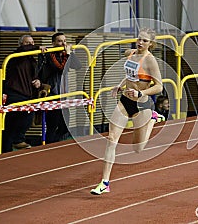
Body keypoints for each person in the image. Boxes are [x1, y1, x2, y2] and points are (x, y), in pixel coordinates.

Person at [90, 27, 163, 195]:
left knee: (138, 148)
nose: (140, 42)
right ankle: (105, 182)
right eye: (139, 39)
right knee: (111, 138)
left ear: (151, 44)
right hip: (125, 101)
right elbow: (132, 75)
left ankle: (152, 118)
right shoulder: (131, 53)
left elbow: (159, 86)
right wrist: (120, 85)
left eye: (145, 40)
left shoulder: (150, 61)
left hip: (142, 104)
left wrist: (141, 92)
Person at [38, 32, 81, 144]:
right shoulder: (50, 54)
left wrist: (70, 53)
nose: (63, 43)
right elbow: (60, 67)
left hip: (63, 95)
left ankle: (54, 144)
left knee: (65, 126)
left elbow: (78, 66)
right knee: (52, 125)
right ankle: (48, 147)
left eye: (65, 41)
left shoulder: (64, 55)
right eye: (60, 41)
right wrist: (67, 54)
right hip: (53, 95)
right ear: (53, 43)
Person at [2, 35, 42, 152]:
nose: (31, 45)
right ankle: (11, 146)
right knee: (12, 122)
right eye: (28, 43)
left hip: (26, 94)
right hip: (14, 93)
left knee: (26, 117)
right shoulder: (15, 57)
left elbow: (34, 76)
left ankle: (14, 143)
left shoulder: (32, 61)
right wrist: (37, 47)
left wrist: (38, 82)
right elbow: (23, 50)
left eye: (32, 42)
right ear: (21, 45)